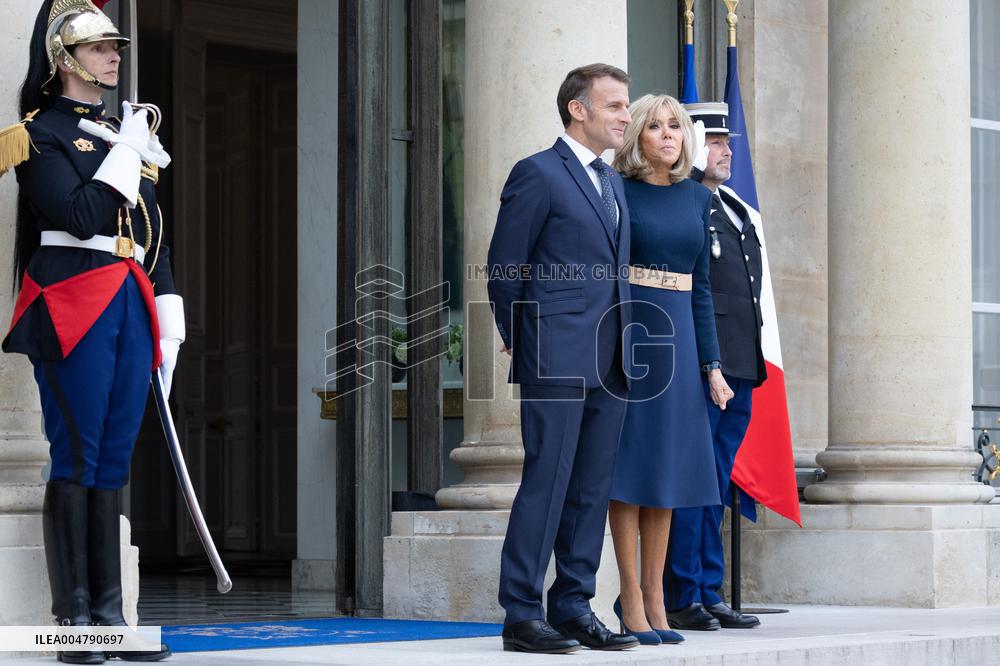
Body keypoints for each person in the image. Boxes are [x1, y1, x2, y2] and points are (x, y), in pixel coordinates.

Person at [1, 1, 180, 662]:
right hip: (70, 301)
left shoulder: (119, 134)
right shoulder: (38, 133)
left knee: (113, 459)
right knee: (76, 453)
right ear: (66, 59)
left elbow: (152, 234)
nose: (115, 57)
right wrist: (125, 151)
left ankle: (111, 615)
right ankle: (74, 622)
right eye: (102, 48)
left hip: (128, 300)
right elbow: (80, 216)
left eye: (115, 47)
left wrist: (170, 310)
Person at [487, 63, 638, 654]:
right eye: (616, 106)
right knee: (546, 482)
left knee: (591, 488)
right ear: (579, 109)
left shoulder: (615, 182)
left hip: (614, 356)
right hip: (555, 353)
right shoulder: (538, 173)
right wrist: (521, 335)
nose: (626, 115)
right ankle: (521, 613)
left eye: (626, 106)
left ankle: (573, 605)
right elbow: (504, 266)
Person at [607, 94, 733, 646]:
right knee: (630, 472)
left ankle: (658, 598)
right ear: (637, 135)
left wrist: (713, 365)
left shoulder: (695, 200)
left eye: (675, 128)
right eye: (655, 126)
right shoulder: (616, 191)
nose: (666, 135)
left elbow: (701, 286)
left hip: (681, 339)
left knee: (667, 476)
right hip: (633, 332)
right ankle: (630, 595)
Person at [663, 102, 766, 631]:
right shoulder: (688, 205)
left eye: (729, 142)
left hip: (740, 365)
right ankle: (684, 591)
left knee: (718, 482)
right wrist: (711, 363)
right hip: (708, 364)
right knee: (695, 480)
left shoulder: (733, 208)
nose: (729, 151)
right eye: (719, 141)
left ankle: (709, 588)